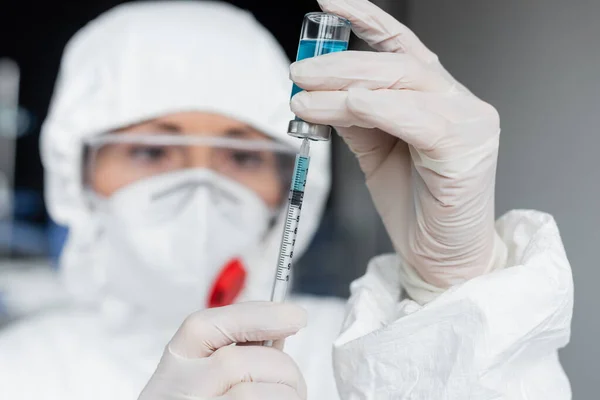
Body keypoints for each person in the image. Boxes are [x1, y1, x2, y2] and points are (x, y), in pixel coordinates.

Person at [0, 0, 574, 399]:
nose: (200, 184)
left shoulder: (368, 345)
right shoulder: (17, 371)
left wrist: (454, 294)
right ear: (75, 177)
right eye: (152, 152)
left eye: (243, 156)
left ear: (296, 181)